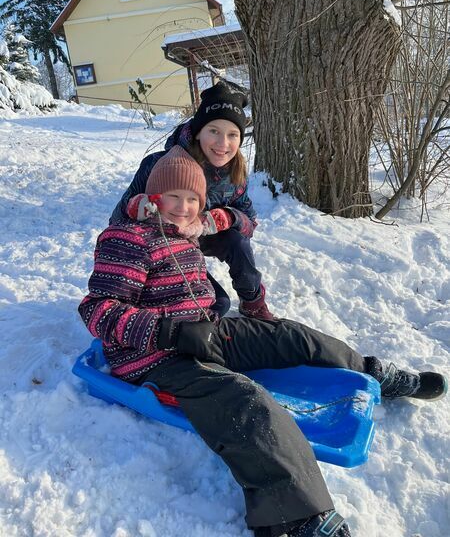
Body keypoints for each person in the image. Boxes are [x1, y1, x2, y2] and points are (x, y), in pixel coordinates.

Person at [80, 147, 446, 537]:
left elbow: (238, 225)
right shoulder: (127, 239)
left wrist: (202, 325)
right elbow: (97, 309)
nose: (184, 207)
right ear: (153, 198)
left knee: (291, 336)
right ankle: (293, 517)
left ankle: (374, 373)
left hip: (204, 333)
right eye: (174, 197)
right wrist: (170, 332)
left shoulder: (184, 234)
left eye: (193, 199)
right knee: (245, 399)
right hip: (155, 355)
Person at [110, 81, 275, 321]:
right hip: (162, 244)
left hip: (201, 237)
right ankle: (151, 301)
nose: (223, 143)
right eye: (214, 131)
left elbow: (249, 222)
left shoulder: (235, 174)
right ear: (198, 131)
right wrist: (144, 208)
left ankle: (253, 303)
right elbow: (118, 219)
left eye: (232, 135)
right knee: (217, 304)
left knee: (237, 241)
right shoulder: (160, 164)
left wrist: (227, 217)